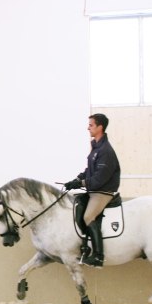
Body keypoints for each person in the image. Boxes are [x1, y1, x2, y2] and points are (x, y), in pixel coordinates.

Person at [63, 113, 121, 267]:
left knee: (88, 216)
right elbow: (90, 170)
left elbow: (99, 179)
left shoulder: (106, 151)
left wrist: (81, 183)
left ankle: (98, 256)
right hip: (94, 189)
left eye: (91, 125)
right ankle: (84, 248)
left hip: (103, 191)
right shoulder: (96, 148)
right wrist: (76, 180)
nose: (88, 128)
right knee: (76, 205)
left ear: (100, 127)